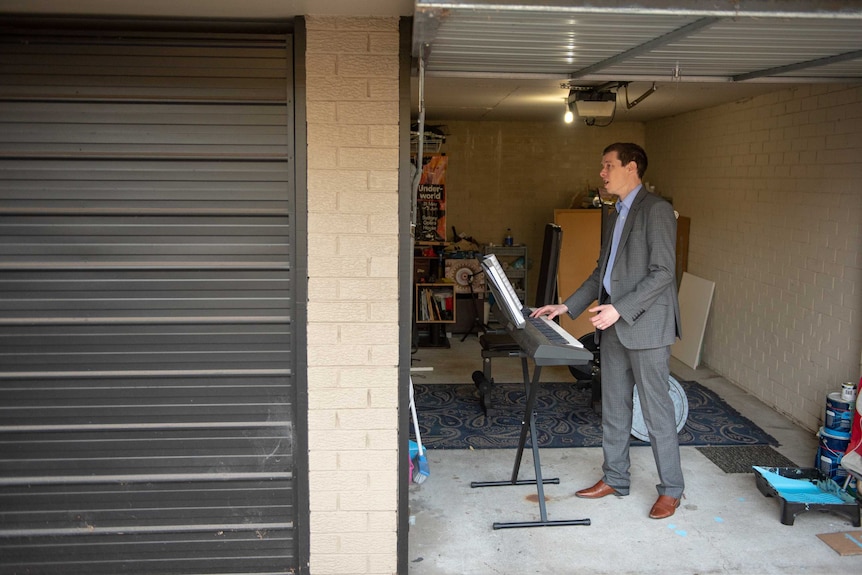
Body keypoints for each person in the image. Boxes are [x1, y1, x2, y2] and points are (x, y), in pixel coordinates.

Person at [531, 142, 684, 519]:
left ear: (631, 168)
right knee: (613, 407)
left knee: (656, 412)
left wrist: (621, 309)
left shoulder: (658, 210)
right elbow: (604, 271)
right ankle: (615, 477)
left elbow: (663, 272)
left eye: (608, 166)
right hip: (613, 324)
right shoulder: (614, 213)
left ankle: (672, 490)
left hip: (645, 326)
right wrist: (566, 305)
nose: (602, 173)